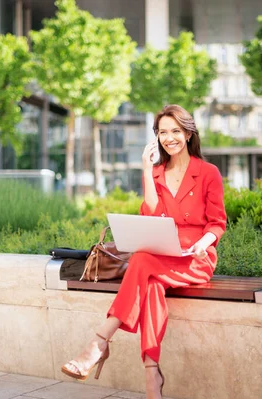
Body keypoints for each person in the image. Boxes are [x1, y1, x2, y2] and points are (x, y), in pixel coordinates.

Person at [61, 104, 227, 399]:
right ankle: (153, 377)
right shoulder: (157, 172)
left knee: (141, 261)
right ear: (156, 138)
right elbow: (150, 215)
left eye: (175, 131)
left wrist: (202, 244)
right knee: (149, 285)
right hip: (161, 256)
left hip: (194, 258)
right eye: (163, 132)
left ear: (188, 133)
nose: (169, 138)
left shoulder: (208, 173)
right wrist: (146, 172)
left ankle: (98, 343)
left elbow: (217, 223)